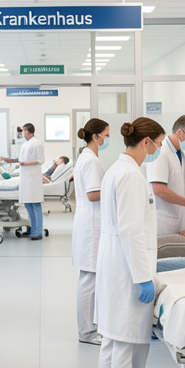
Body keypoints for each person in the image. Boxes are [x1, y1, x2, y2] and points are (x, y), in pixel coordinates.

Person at [96, 117, 167, 368]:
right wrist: (142, 277)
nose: (160, 149)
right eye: (160, 143)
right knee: (128, 341)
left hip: (115, 261)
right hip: (127, 266)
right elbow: (131, 230)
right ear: (147, 142)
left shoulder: (117, 169)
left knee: (112, 339)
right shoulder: (132, 177)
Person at [72, 119, 109, 345]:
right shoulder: (91, 161)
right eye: (106, 134)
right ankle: (87, 332)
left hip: (89, 221)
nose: (107, 139)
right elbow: (93, 194)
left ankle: (89, 328)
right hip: (91, 223)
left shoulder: (87, 157)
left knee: (90, 278)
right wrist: (118, 190)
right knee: (89, 279)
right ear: (95, 136)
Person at [17, 123, 46, 240]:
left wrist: (25, 163)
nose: (23, 133)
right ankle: (33, 230)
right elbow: (21, 159)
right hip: (26, 178)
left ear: (28, 131)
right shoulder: (25, 144)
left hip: (33, 178)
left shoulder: (37, 143)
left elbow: (41, 160)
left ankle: (38, 231)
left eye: (24, 131)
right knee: (28, 204)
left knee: (35, 204)